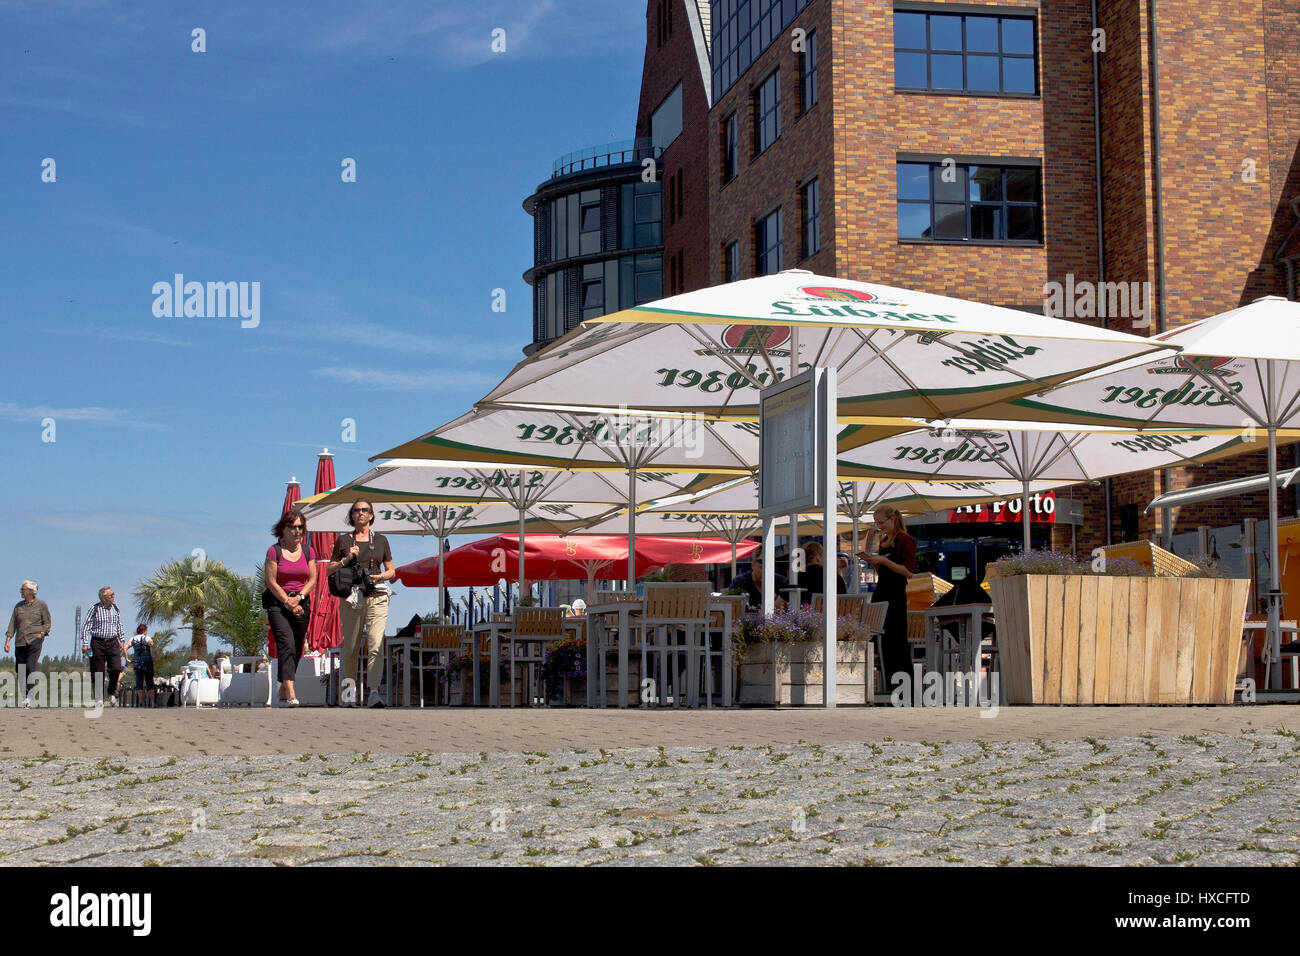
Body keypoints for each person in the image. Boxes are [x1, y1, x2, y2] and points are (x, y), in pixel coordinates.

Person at [328, 499, 395, 707]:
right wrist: (346, 560)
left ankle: (374, 691)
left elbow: (392, 570)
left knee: (376, 643)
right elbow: (330, 569)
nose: (360, 513)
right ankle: (349, 693)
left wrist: (381, 577)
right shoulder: (344, 541)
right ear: (352, 516)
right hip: (352, 596)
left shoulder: (382, 540)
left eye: (365, 510)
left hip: (376, 594)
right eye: (356, 510)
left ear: (372, 516)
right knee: (351, 646)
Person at [859, 505, 918, 689]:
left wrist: (884, 560)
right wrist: (875, 563)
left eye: (881, 522)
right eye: (876, 523)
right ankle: (889, 685)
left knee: (896, 641)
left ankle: (904, 689)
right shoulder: (885, 540)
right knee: (883, 642)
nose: (879, 526)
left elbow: (908, 571)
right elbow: (886, 571)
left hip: (895, 594)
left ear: (892, 519)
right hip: (882, 591)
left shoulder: (904, 540)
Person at [264, 509, 316, 707]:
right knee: (285, 643)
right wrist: (288, 601)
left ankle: (284, 686)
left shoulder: (308, 551)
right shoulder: (274, 551)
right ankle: (292, 692)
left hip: (301, 602)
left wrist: (300, 598)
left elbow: (312, 579)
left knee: (297, 646)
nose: (297, 531)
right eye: (292, 527)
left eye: (300, 527)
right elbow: (270, 581)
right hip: (278, 603)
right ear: (283, 529)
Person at [6, 580, 51, 707]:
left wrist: (42, 633)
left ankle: (29, 696)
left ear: (31, 591)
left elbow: (47, 622)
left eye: (23, 589)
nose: (21, 591)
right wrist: (8, 640)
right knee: (20, 669)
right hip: (20, 641)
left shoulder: (41, 605)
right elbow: (12, 624)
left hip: (35, 639)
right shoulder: (18, 607)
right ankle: (25, 695)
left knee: (30, 666)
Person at [81, 586, 127, 706]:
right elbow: (86, 626)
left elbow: (119, 624)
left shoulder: (116, 608)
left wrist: (122, 640)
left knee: (116, 668)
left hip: (113, 642)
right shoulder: (94, 609)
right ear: (104, 598)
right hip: (97, 643)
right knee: (98, 671)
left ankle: (111, 693)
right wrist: (85, 643)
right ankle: (99, 698)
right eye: (111, 595)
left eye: (113, 594)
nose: (113, 597)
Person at [128, 624, 155, 692]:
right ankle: (151, 702)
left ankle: (140, 702)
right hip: (147, 663)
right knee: (150, 684)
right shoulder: (147, 638)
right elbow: (153, 646)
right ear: (144, 630)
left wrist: (127, 658)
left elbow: (125, 647)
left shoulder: (133, 638)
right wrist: (155, 657)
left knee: (139, 684)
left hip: (137, 664)